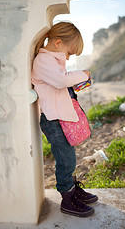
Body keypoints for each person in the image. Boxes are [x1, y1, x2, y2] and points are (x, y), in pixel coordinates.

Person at [31, 22, 98, 217]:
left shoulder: (52, 62)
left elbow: (59, 84)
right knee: (65, 159)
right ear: (58, 43)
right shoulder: (44, 60)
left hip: (58, 118)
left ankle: (71, 189)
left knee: (69, 158)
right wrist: (83, 74)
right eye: (69, 53)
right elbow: (61, 80)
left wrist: (75, 85)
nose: (68, 58)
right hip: (52, 120)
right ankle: (67, 199)